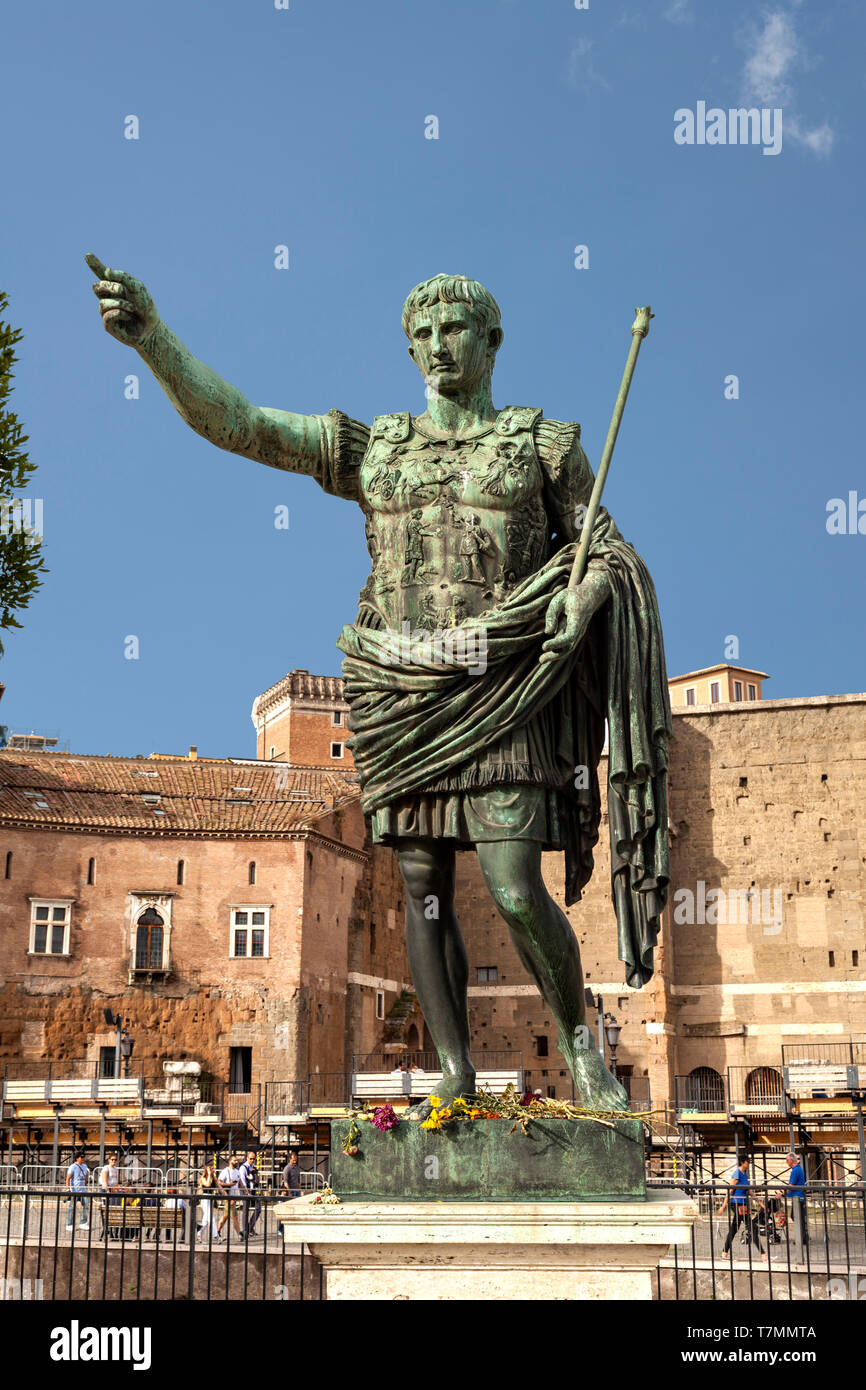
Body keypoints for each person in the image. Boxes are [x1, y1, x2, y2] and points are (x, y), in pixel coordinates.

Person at [87, 263, 671, 1114]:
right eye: (422, 333)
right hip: (399, 692)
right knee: (423, 891)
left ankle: (582, 1050)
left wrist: (583, 593)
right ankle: (457, 1079)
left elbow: (608, 550)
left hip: (501, 683)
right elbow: (243, 425)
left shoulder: (542, 445)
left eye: (455, 329)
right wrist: (154, 340)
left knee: (512, 885)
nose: (438, 345)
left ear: (492, 340)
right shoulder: (378, 448)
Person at [719, 1157, 766, 1260]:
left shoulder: (745, 1174)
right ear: (742, 1162)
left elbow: (749, 1191)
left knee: (734, 1230)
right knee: (752, 1228)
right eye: (747, 1161)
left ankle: (724, 1252)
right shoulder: (737, 1173)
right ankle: (764, 1255)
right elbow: (730, 1190)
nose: (749, 1163)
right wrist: (723, 1206)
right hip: (736, 1204)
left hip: (743, 1204)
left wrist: (759, 1202)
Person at [784, 1151, 808, 1248]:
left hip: (797, 1198)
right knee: (798, 1217)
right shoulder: (798, 1169)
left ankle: (802, 1237)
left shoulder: (795, 1170)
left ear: (791, 1160)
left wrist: (782, 1194)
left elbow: (791, 1185)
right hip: (799, 1197)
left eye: (787, 1160)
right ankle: (803, 1236)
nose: (786, 1162)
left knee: (796, 1217)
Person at [216, 1155, 242, 1240]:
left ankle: (216, 1232)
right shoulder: (225, 1171)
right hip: (228, 1197)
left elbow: (240, 1183)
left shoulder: (237, 1171)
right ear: (230, 1161)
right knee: (235, 1217)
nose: (236, 1162)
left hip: (233, 1197)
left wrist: (247, 1192)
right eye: (234, 1160)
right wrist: (229, 1184)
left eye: (236, 1160)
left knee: (225, 1216)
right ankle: (239, 1235)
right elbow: (219, 1182)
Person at [238, 1150, 262, 1237]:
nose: (252, 1160)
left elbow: (255, 1180)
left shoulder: (254, 1168)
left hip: (253, 1190)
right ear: (247, 1158)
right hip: (245, 1191)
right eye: (251, 1159)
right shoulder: (243, 1168)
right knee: (245, 1211)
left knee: (258, 1208)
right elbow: (242, 1181)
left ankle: (249, 1228)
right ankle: (245, 1231)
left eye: (253, 1159)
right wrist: (247, 1192)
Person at [65, 1151, 90, 1231]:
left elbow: (85, 1176)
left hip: (83, 1190)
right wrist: (68, 1188)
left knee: (86, 1205)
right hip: (74, 1190)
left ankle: (83, 1223)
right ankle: (69, 1224)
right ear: (77, 1158)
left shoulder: (84, 1166)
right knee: (72, 1207)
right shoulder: (73, 1166)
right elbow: (68, 1178)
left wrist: (85, 1184)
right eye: (81, 1157)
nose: (83, 1158)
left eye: (84, 1157)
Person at [97, 1150, 120, 1237]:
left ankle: (111, 1229)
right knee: (106, 1209)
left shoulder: (115, 1169)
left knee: (113, 1209)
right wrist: (107, 1190)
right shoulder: (106, 1168)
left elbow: (115, 1180)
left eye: (115, 1160)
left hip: (113, 1189)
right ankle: (106, 1228)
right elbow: (104, 1180)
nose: (114, 1161)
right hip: (107, 1189)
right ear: (109, 1160)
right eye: (112, 1159)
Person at [197, 1162, 219, 1243]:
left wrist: (226, 1195)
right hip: (205, 1198)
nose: (213, 1170)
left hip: (210, 1198)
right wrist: (209, 1174)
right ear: (207, 1170)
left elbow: (219, 1186)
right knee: (210, 1217)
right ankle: (216, 1236)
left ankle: (199, 1233)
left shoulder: (214, 1177)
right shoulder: (203, 1178)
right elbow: (208, 1184)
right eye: (211, 1168)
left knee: (205, 1220)